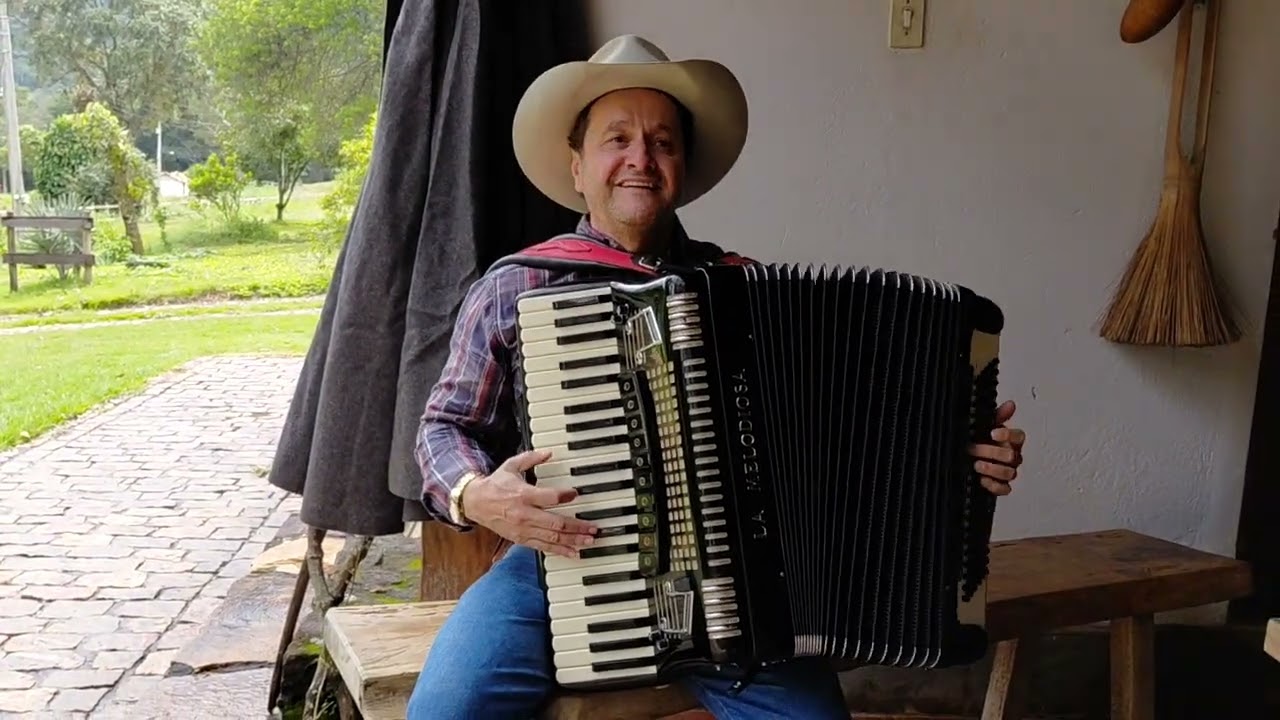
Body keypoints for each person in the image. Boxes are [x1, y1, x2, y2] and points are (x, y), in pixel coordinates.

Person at [406, 35, 1027, 719]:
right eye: (618, 139)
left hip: (740, 594)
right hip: (560, 561)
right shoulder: (517, 285)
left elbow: (851, 441)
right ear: (578, 166)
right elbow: (445, 427)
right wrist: (476, 494)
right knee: (446, 710)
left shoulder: (741, 287)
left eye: (663, 142)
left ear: (681, 169)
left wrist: (960, 458)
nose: (641, 158)